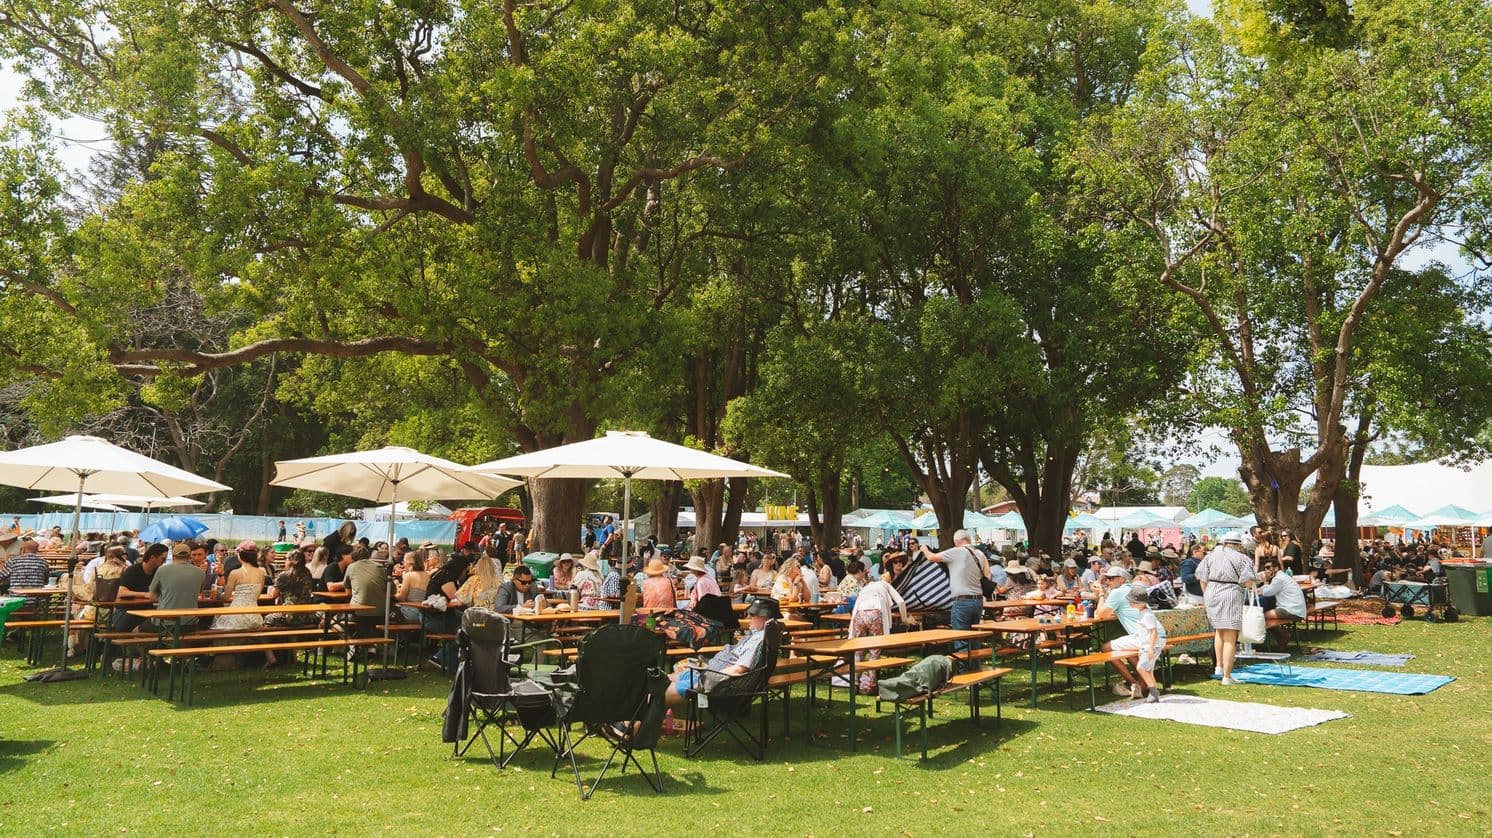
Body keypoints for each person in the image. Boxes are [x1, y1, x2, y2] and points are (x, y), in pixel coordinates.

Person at [664, 597, 778, 709]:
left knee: (661, 692)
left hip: (719, 684)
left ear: (764, 617)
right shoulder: (760, 634)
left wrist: (710, 676)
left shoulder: (757, 641)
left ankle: (650, 712)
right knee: (665, 680)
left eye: (752, 615)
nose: (748, 617)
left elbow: (738, 669)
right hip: (714, 676)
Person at [1197, 531, 1258, 685]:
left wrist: (1207, 596)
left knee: (1218, 630)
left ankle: (1218, 666)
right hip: (1230, 593)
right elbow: (1248, 583)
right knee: (1230, 635)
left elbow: (1202, 578)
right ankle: (1227, 676)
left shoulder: (1210, 556)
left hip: (1211, 592)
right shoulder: (1243, 559)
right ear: (1238, 544)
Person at [919, 529, 988, 653]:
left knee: (960, 637)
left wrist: (924, 549)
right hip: (978, 600)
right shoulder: (980, 554)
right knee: (973, 637)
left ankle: (964, 670)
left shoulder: (957, 552)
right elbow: (988, 576)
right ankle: (975, 666)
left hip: (962, 601)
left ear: (956, 541)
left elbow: (931, 557)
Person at [845, 571, 910, 693]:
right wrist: (904, 619)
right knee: (874, 651)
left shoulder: (867, 587)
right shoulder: (885, 584)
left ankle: (855, 683)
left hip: (859, 613)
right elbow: (901, 602)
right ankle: (871, 685)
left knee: (859, 651)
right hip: (875, 612)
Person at [1093, 565, 1146, 697]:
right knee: (1126, 649)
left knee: (1105, 648)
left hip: (1143, 637)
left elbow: (1100, 614)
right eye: (1107, 579)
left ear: (1121, 579)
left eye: (1111, 579)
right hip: (1155, 634)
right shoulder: (1135, 590)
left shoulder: (1118, 592)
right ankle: (1143, 683)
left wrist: (1100, 595)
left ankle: (1133, 683)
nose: (1108, 582)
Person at [111, 544, 168, 632]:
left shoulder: (159, 572)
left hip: (146, 610)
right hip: (127, 610)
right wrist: (145, 594)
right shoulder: (133, 570)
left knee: (161, 626)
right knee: (123, 629)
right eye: (162, 559)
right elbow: (121, 592)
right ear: (153, 557)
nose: (164, 562)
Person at [1125, 584, 1167, 702]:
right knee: (1149, 670)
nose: (1130, 603)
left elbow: (1154, 632)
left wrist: (1150, 648)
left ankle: (1153, 690)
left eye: (1132, 601)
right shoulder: (1143, 613)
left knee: (1141, 667)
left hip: (1151, 646)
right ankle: (1153, 694)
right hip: (1146, 646)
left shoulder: (1147, 615)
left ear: (1140, 603)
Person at [212, 547, 271, 632]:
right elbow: (257, 596)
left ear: (240, 556)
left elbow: (226, 597)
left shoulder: (235, 573)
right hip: (254, 614)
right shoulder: (261, 572)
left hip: (236, 613)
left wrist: (222, 595)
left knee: (217, 619)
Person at [1256, 558, 1306, 648]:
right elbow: (1269, 588)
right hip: (1296, 609)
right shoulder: (1281, 576)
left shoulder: (1278, 578)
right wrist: (1263, 587)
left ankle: (1283, 636)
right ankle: (1282, 636)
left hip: (1291, 610)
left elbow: (1269, 592)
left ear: (1276, 568)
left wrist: (1260, 589)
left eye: (1268, 567)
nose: (1266, 570)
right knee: (1264, 614)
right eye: (1265, 568)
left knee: (1261, 616)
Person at [265, 550, 318, 627]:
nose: (284, 561)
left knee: (268, 618)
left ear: (291, 561)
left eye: (286, 558)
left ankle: (278, 639)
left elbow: (273, 594)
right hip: (307, 616)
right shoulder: (307, 573)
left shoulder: (285, 575)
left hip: (290, 616)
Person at [394, 548, 430, 623]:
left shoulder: (409, 575)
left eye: (404, 561)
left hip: (411, 612)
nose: (403, 564)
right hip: (425, 613)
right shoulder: (428, 575)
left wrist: (395, 589)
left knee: (390, 610)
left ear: (409, 563)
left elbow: (401, 598)